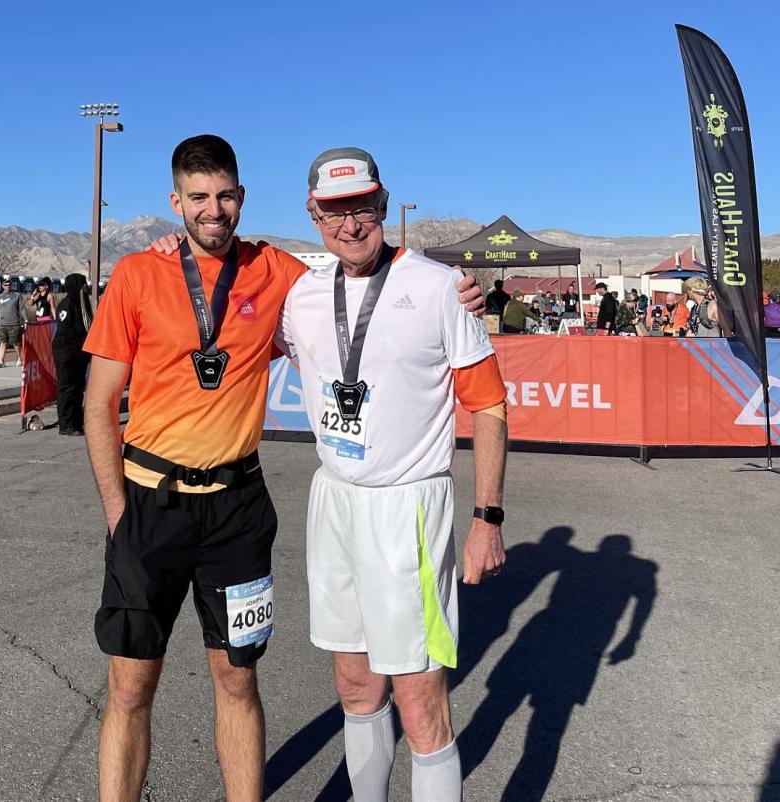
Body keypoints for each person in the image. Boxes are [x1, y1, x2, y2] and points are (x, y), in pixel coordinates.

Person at [82, 135, 485, 802]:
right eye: (199, 197)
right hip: (149, 506)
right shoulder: (136, 273)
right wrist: (119, 516)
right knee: (129, 686)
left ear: (242, 197)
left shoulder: (278, 274)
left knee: (238, 680)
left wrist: (457, 294)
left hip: (237, 511)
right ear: (175, 201)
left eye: (225, 195)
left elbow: (362, 284)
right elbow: (99, 405)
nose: (214, 209)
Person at [274, 146, 508, 802]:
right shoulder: (301, 296)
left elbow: (488, 405)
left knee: (419, 698)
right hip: (335, 501)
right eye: (334, 210)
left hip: (410, 507)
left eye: (363, 207)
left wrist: (488, 518)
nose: (351, 223)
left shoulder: (438, 287)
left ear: (382, 203)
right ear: (314, 213)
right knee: (354, 684)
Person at [53, 273, 92, 435]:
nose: (85, 288)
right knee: (67, 387)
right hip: (67, 353)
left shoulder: (82, 305)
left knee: (77, 388)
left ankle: (76, 421)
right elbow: (65, 330)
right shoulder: (66, 305)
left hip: (79, 355)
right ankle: (66, 424)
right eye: (83, 284)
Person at [0, 277, 26, 367]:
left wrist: (26, 320)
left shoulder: (17, 295)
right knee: (2, 342)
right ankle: (1, 360)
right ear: (3, 286)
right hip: (2, 324)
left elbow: (22, 308)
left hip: (14, 323)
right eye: (6, 285)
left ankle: (19, 358)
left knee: (16, 342)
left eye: (9, 285)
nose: (8, 286)